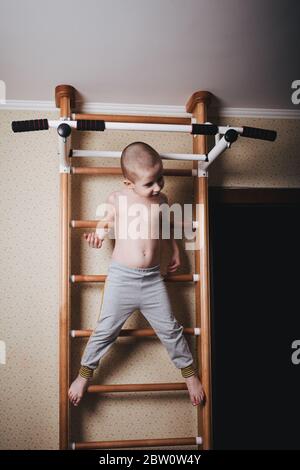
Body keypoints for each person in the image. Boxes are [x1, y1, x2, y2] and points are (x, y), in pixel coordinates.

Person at [68, 142, 204, 407]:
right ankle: (85, 374)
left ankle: (189, 375)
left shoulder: (162, 200)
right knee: (105, 330)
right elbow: (104, 222)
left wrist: (175, 250)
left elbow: (162, 228)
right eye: (150, 183)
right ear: (128, 183)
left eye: (160, 179)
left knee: (171, 329)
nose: (158, 187)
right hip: (122, 279)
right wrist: (97, 235)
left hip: (153, 280)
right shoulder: (117, 198)